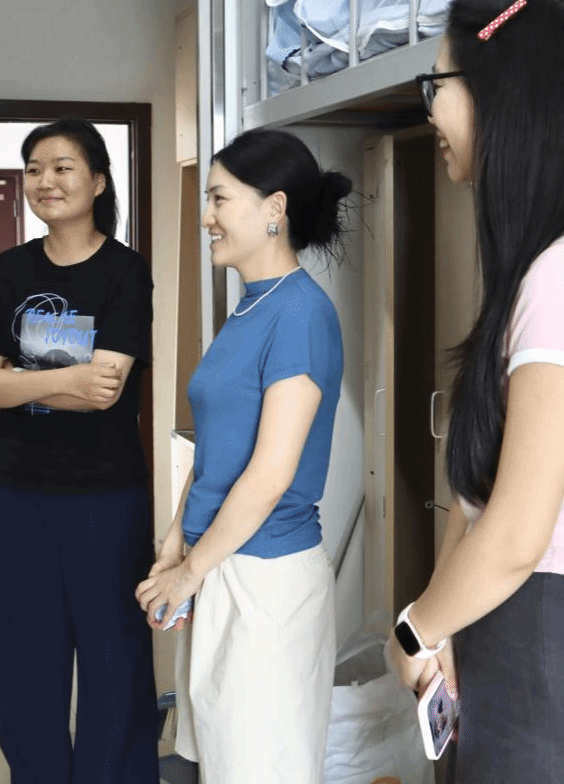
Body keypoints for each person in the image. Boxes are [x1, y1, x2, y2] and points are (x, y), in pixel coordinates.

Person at [388, 0, 564, 782]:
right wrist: (448, 619)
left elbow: (516, 535)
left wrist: (414, 630)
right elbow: (481, 495)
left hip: (555, 661)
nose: (430, 111)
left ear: (500, 94)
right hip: (528, 647)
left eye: (438, 85)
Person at [136, 128, 353, 783]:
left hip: (266, 581)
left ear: (273, 208)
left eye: (219, 199)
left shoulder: (301, 313)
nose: (206, 216)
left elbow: (269, 475)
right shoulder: (249, 309)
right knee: (224, 765)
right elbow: (217, 451)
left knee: (261, 769)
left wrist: (190, 571)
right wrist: (176, 541)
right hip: (220, 563)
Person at [0, 119, 156, 784]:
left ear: (97, 181)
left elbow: (106, 391)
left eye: (63, 167)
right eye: (34, 169)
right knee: (25, 659)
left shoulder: (125, 271)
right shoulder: (9, 270)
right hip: (19, 495)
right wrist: (68, 379)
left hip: (106, 497)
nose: (46, 180)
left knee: (113, 657)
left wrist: (20, 380)